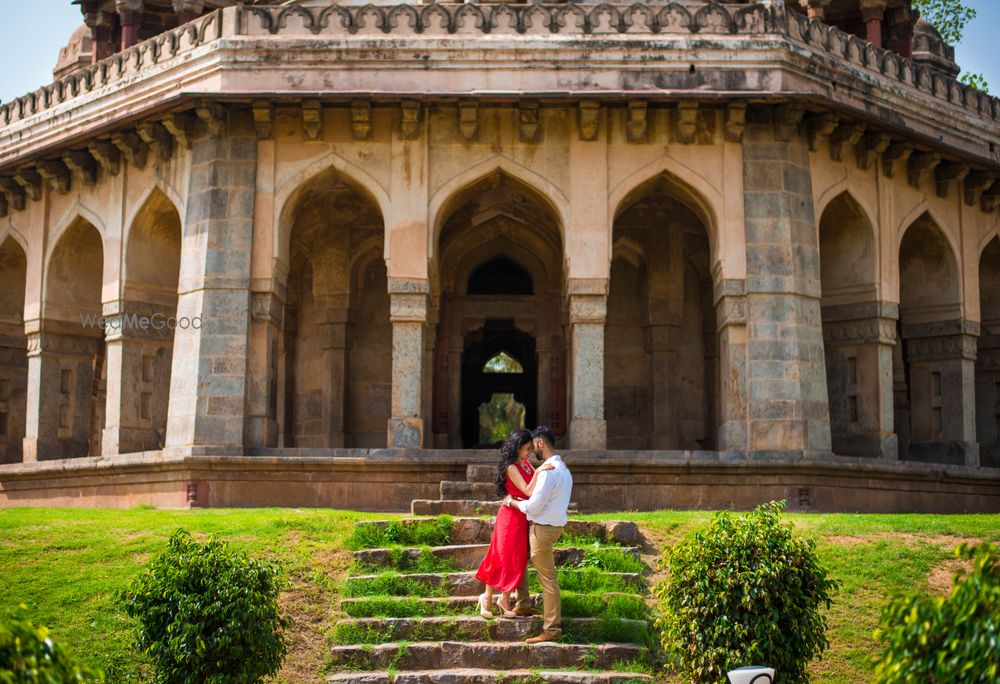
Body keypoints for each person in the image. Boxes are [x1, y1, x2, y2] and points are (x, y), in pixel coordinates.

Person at [474, 428, 554, 619]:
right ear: (517, 447)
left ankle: (505, 599)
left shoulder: (526, 464)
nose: (529, 453)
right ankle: (486, 598)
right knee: (501, 555)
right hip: (510, 516)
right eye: (527, 449)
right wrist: (541, 470)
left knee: (516, 558)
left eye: (530, 449)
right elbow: (527, 491)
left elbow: (535, 489)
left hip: (522, 516)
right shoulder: (512, 467)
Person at [502, 425, 572, 644]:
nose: (533, 451)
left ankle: (551, 629)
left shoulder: (548, 472)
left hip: (542, 529)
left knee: (548, 580)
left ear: (541, 443)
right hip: (553, 526)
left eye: (534, 446)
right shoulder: (564, 469)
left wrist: (512, 502)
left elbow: (533, 507)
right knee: (522, 557)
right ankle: (522, 602)